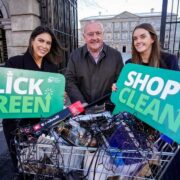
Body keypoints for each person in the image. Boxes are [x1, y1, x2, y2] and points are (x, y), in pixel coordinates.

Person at [112, 23, 179, 179]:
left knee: (163, 161)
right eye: (135, 38)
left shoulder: (169, 60)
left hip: (160, 121)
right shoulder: (130, 64)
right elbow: (125, 92)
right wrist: (117, 87)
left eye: (143, 37)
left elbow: (176, 93)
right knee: (134, 161)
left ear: (152, 39)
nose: (138, 41)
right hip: (137, 121)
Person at [2, 26, 64, 175]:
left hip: (42, 125)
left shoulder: (52, 68)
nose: (44, 46)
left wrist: (59, 96)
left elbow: (52, 99)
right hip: (16, 124)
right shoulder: (14, 63)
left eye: (48, 43)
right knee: (22, 165)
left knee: (41, 165)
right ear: (32, 41)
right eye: (40, 40)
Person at [66, 20, 124, 107]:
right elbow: (69, 80)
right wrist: (81, 103)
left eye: (98, 33)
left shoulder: (116, 56)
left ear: (103, 35)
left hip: (108, 109)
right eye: (90, 34)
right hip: (83, 109)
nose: (95, 37)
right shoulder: (75, 55)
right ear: (84, 36)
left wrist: (109, 104)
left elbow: (120, 83)